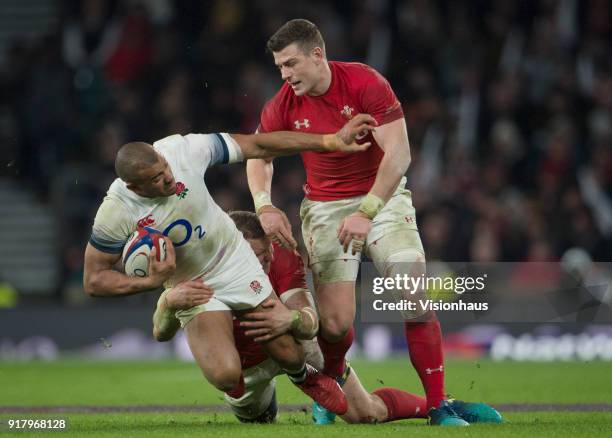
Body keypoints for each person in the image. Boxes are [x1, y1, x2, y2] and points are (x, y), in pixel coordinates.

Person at [246, 19, 500, 425]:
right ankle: (328, 391)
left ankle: (438, 406)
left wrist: (366, 211)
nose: (285, 74)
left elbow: (398, 154)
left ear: (317, 54)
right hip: (325, 209)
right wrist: (263, 205)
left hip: (381, 198)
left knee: (412, 293)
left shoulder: (364, 83)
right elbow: (258, 154)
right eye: (279, 67)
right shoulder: (282, 104)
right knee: (334, 324)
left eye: (291, 63)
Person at [83, 114, 377, 416]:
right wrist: (149, 283)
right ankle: (247, 392)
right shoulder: (116, 211)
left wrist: (327, 141)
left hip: (232, 258)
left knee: (288, 350)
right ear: (134, 187)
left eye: (164, 168)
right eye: (156, 179)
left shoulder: (182, 150)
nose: (168, 178)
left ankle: (304, 377)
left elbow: (258, 144)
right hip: (193, 285)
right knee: (225, 376)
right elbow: (93, 280)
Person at [154, 210, 431, 425]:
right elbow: (160, 333)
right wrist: (167, 302)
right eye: (247, 259)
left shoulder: (283, 256)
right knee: (258, 420)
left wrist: (292, 320)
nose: (257, 266)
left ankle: (436, 404)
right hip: (245, 369)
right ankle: (267, 397)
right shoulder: (197, 267)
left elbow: (308, 319)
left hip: (291, 344)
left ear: (271, 249)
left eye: (263, 257)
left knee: (364, 414)